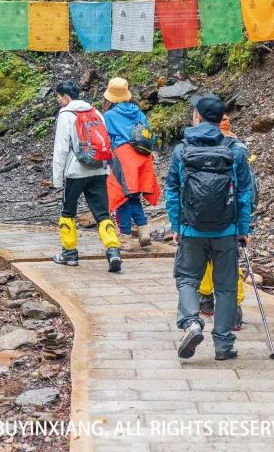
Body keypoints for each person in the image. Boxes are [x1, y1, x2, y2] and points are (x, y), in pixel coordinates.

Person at [166, 94, 255, 361]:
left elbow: (173, 190)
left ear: (197, 117)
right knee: (226, 287)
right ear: (222, 119)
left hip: (192, 229)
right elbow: (244, 192)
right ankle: (224, 345)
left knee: (186, 279)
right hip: (226, 230)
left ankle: (192, 322)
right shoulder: (235, 149)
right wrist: (243, 228)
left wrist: (176, 225)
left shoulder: (182, 149)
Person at [49, 80, 122, 272]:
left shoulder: (65, 115)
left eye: (58, 97)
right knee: (102, 213)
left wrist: (57, 180)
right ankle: (113, 250)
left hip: (75, 172)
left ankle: (69, 253)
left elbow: (61, 149)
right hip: (98, 169)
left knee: (67, 212)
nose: (58, 101)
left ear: (66, 97)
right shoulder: (95, 112)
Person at [197, 114, 251, 330]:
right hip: (231, 219)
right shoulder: (239, 152)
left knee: (206, 259)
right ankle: (234, 311)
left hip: (202, 218)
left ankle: (206, 299)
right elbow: (247, 190)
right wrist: (244, 225)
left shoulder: (201, 149)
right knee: (230, 263)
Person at [101, 78, 160, 248]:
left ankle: (125, 236)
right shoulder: (139, 112)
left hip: (123, 157)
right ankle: (143, 231)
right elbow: (150, 134)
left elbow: (106, 139)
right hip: (143, 156)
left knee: (122, 196)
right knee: (133, 195)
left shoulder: (109, 115)